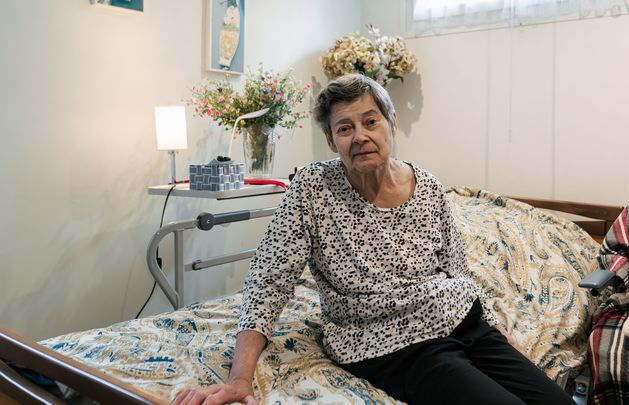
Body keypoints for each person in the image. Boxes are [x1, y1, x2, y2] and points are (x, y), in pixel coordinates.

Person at [174, 74, 574, 405]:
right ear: (332, 142)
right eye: (344, 128)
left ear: (392, 124)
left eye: (370, 122)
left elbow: (456, 271)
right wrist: (239, 379)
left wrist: (498, 335)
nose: (359, 136)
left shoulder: (429, 185)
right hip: (393, 344)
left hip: (464, 323)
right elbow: (268, 281)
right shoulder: (312, 190)